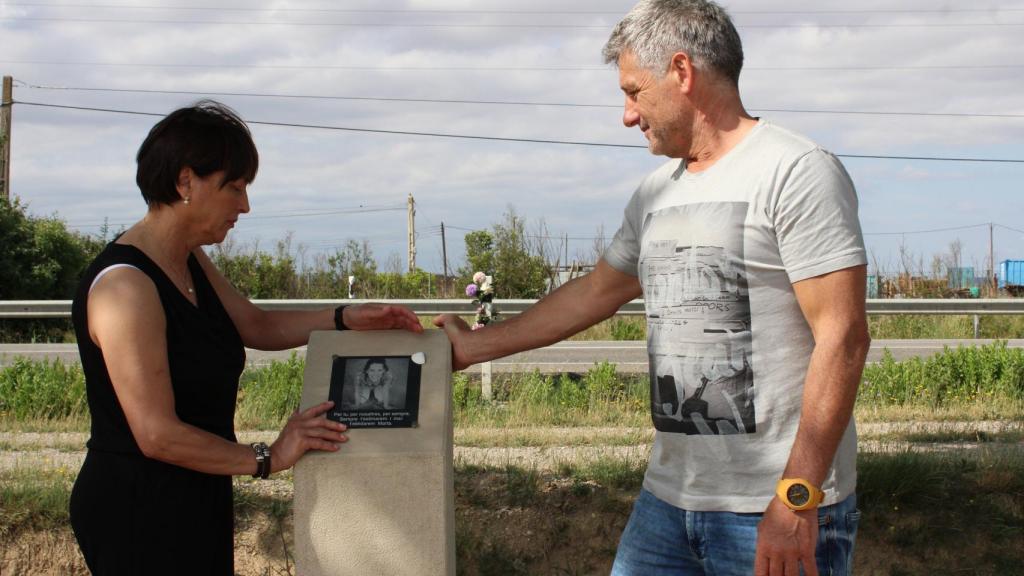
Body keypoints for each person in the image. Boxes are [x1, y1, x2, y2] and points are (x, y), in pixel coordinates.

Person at [434, 1, 870, 575]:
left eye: (634, 91)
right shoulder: (654, 193)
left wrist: (797, 496)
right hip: (667, 504)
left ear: (682, 73)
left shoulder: (796, 170)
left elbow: (844, 338)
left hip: (771, 505)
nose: (627, 114)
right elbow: (595, 292)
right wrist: (473, 346)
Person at [68, 100, 423, 575]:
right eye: (233, 187)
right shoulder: (125, 286)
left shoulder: (189, 261)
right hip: (138, 506)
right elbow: (156, 434)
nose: (245, 205)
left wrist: (345, 317)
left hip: (195, 493)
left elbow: (257, 326)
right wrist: (267, 458)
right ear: (185, 181)